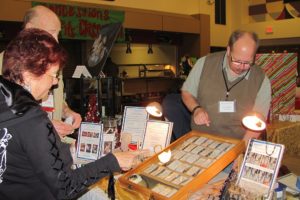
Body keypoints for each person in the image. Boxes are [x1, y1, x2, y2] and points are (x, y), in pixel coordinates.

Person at [0, 28, 137, 199]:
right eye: (53, 75)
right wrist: (113, 161)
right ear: (28, 75)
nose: (56, 81)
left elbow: (28, 156)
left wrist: (66, 149)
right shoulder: (32, 119)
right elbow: (66, 188)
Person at [0, 5, 82, 137]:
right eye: (51, 32)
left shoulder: (54, 65)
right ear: (30, 28)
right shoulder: (4, 64)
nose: (56, 40)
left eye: (58, 34)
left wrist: (67, 112)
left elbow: (56, 99)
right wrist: (44, 125)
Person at [181, 30, 271, 142]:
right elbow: (187, 92)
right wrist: (196, 109)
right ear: (228, 50)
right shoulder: (204, 63)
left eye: (248, 62)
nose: (242, 67)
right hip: (200, 139)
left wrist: (241, 148)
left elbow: (257, 123)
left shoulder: (261, 79)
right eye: (237, 61)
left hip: (236, 142)